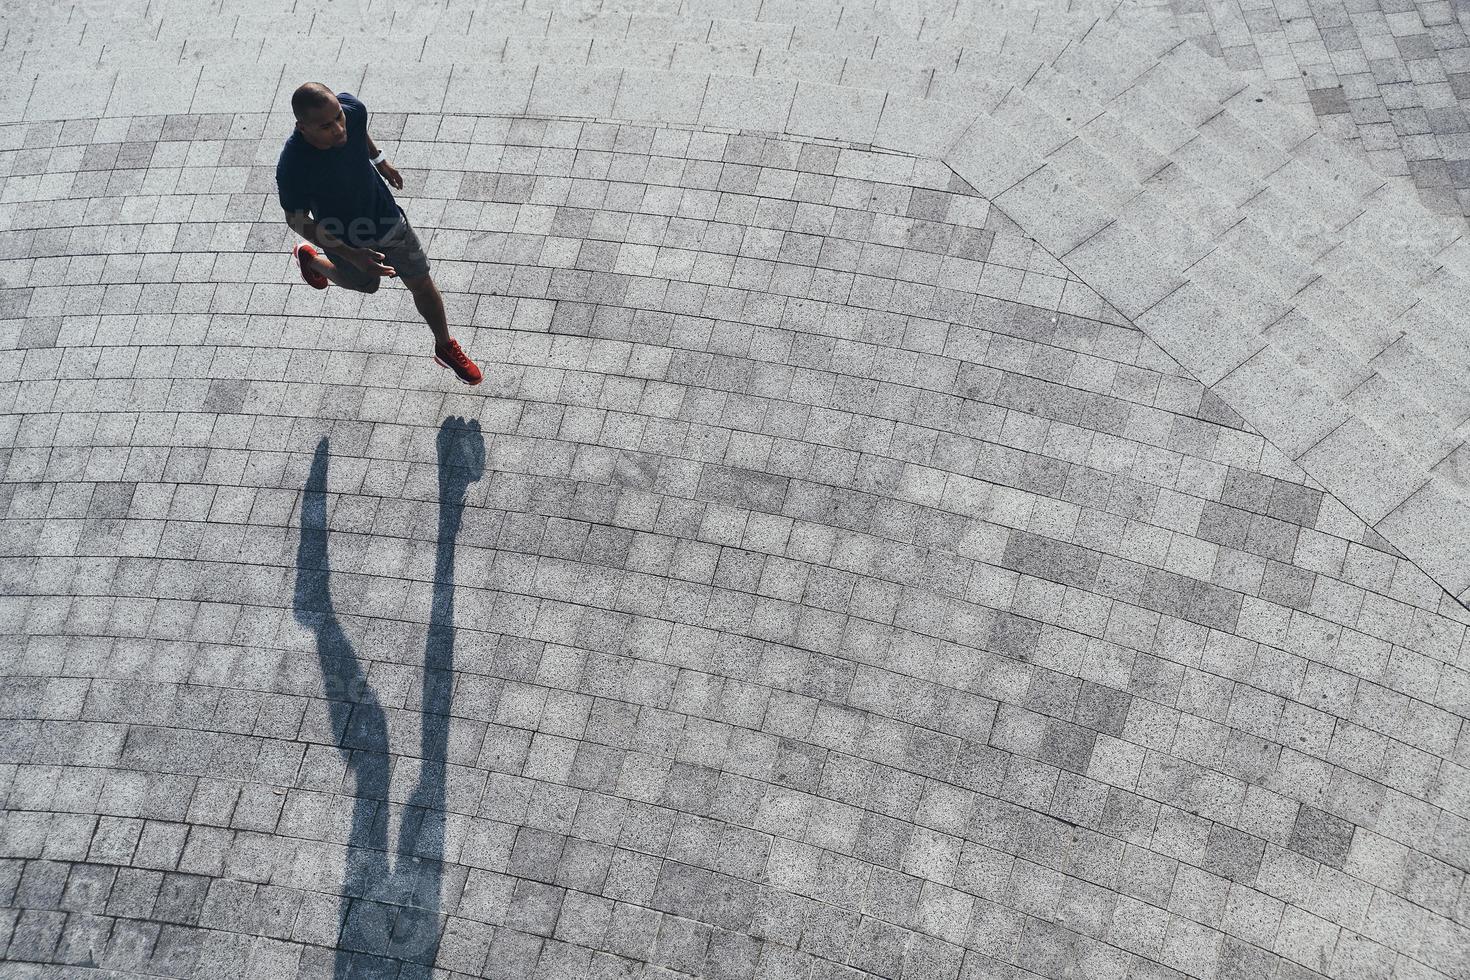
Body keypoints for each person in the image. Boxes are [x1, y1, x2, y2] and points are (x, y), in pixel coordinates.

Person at [276, 82, 482, 385]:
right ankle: (312, 261)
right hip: (344, 238)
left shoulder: (353, 110)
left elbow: (357, 129)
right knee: (366, 285)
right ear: (302, 127)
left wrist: (379, 160)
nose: (338, 129)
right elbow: (295, 219)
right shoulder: (293, 165)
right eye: (326, 125)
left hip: (388, 220)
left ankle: (444, 345)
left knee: (421, 282)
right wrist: (350, 254)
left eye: (338, 117)